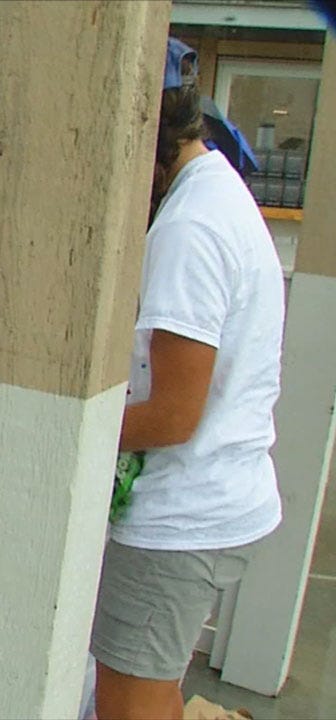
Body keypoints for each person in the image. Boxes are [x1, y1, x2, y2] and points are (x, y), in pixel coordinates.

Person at [92, 39, 285, 720]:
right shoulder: (218, 193)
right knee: (154, 688)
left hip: (180, 519)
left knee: (126, 704)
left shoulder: (189, 229)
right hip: (216, 499)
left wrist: (70, 438)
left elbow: (174, 416)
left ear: (143, 137)